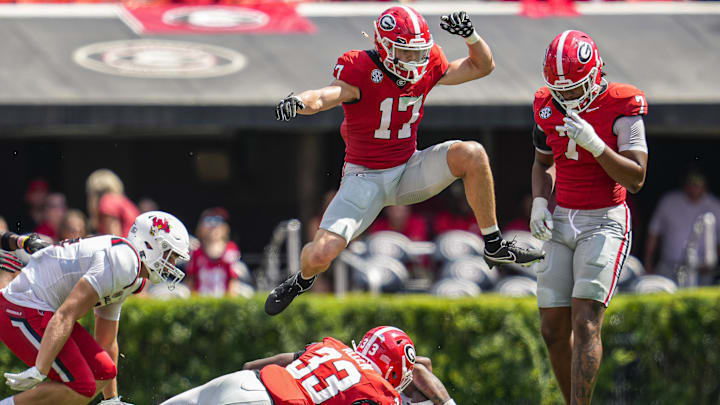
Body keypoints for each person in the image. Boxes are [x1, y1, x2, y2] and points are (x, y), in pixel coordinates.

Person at [267, 7, 543, 315]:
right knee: (321, 253)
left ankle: (494, 245)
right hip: (365, 177)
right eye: (405, 53)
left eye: (418, 53)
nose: (414, 61)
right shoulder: (359, 68)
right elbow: (325, 96)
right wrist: (298, 102)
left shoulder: (428, 64)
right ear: (384, 47)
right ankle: (300, 281)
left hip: (409, 168)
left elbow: (481, 66)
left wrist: (471, 36)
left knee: (473, 153)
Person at [530, 30, 649, 405]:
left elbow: (636, 178)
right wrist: (538, 201)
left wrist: (596, 144)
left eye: (574, 87)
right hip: (562, 215)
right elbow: (542, 162)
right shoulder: (545, 104)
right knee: (552, 329)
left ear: (597, 72)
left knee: (585, 323)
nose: (565, 96)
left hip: (604, 219)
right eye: (559, 89)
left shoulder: (623, 103)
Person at [0, 211, 190, 405]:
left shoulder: (131, 273)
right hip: (21, 305)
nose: (172, 264)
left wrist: (112, 400)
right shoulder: (123, 262)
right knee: (82, 385)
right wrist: (41, 368)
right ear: (149, 243)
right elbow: (66, 314)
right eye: (169, 254)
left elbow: (107, 340)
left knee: (104, 372)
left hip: (42, 309)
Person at [160, 326, 425, 405]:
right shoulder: (380, 393)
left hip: (245, 381)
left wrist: (248, 368)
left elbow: (282, 358)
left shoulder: (334, 347)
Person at [644, 169, 720, 284]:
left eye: (698, 183)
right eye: (691, 182)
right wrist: (648, 264)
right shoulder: (669, 201)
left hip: (702, 271)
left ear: (705, 184)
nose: (694, 186)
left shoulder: (715, 205)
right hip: (669, 266)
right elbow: (653, 233)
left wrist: (712, 263)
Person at [185, 207, 252, 297]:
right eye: (208, 221)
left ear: (225, 228)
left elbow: (233, 281)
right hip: (200, 300)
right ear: (201, 227)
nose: (213, 225)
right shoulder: (196, 250)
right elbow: (190, 280)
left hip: (223, 301)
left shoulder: (230, 249)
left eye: (218, 220)